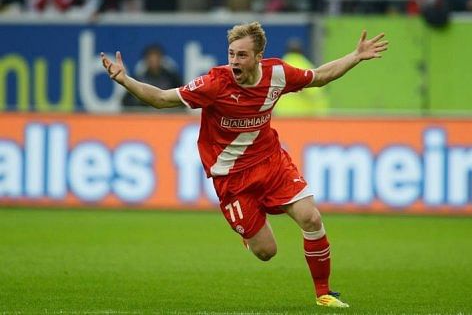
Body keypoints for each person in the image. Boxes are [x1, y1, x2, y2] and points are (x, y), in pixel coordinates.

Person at [100, 21, 388, 308]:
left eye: (241, 55)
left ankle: (324, 294)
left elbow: (319, 77)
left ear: (258, 57)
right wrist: (125, 79)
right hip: (232, 177)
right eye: (231, 54)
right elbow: (162, 99)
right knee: (266, 252)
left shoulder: (277, 74)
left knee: (311, 218)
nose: (234, 61)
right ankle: (249, 229)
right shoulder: (215, 83)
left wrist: (355, 56)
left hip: (271, 162)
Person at [273, 38, 329, 116]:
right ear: (302, 52)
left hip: (281, 115)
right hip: (301, 116)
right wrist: (321, 115)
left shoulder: (278, 68)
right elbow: (316, 94)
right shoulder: (306, 67)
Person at [121, 44, 185, 112]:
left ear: (161, 59)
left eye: (156, 58)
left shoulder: (172, 78)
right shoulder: (139, 78)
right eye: (150, 58)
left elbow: (182, 98)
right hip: (144, 117)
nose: (153, 61)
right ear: (146, 60)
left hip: (168, 117)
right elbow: (126, 102)